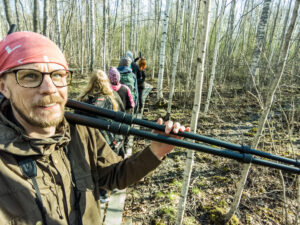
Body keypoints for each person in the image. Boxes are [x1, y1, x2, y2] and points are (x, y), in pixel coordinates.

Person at [0, 31, 188, 225]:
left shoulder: (80, 130)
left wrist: (156, 150)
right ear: (3, 86)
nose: (49, 87)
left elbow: (114, 175)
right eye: (30, 76)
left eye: (57, 75)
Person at [77, 70, 126, 203]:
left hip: (88, 139)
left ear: (90, 82)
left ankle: (95, 192)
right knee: (109, 164)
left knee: (91, 165)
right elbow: (122, 115)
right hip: (111, 139)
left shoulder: (84, 99)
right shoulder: (113, 97)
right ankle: (106, 190)